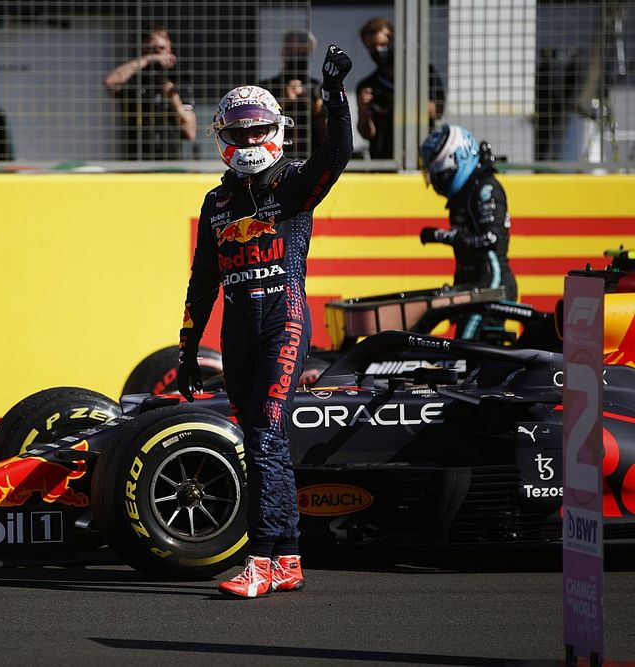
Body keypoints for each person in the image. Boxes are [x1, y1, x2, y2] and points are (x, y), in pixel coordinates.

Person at [177, 45, 353, 598]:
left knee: (262, 439)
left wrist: (334, 95)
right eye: (241, 133)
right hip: (236, 334)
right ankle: (289, 557)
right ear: (224, 137)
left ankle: (259, 559)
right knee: (264, 443)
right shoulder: (215, 204)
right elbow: (202, 281)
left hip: (285, 323)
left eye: (259, 132)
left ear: (277, 130)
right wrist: (186, 347)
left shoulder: (297, 184)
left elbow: (339, 153)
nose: (251, 142)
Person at [419, 124, 517, 341]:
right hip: (472, 286)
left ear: (460, 158)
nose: (437, 183)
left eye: (442, 174)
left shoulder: (486, 189)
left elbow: (491, 239)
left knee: (465, 348)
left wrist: (444, 236)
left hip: (493, 286)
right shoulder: (463, 194)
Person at [355, 17, 445, 159]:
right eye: (372, 47)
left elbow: (438, 111)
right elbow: (367, 134)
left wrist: (402, 98)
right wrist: (363, 110)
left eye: (383, 44)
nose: (379, 50)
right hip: (384, 160)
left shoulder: (422, 73)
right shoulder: (368, 85)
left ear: (393, 40)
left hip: (419, 156)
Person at [103, 26, 196, 160]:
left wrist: (172, 96)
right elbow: (110, 82)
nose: (158, 54)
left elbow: (189, 132)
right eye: (152, 49)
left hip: (170, 159)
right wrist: (147, 60)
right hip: (136, 158)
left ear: (170, 49)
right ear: (143, 49)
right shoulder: (134, 79)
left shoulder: (179, 79)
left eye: (161, 48)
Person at [259, 31, 326, 158]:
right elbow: (256, 122)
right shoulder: (267, 88)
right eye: (292, 52)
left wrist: (316, 110)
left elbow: (329, 134)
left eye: (302, 52)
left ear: (309, 54)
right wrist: (282, 102)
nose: (296, 57)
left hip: (313, 157)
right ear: (283, 53)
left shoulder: (318, 88)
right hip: (274, 156)